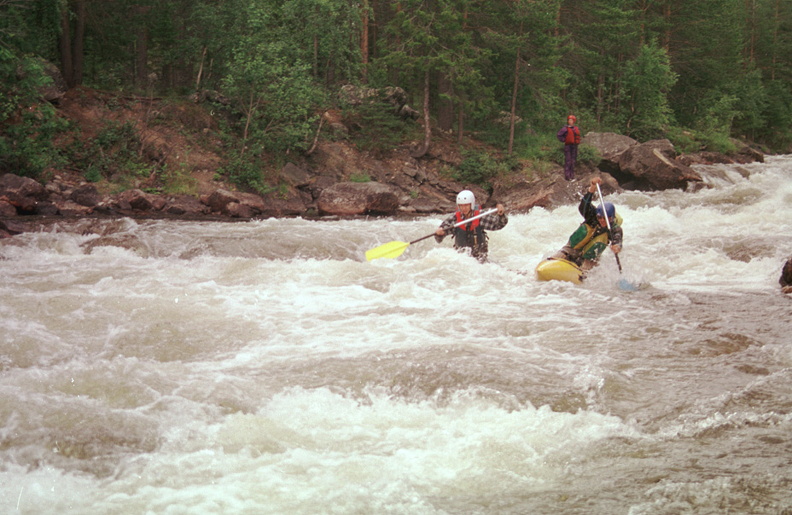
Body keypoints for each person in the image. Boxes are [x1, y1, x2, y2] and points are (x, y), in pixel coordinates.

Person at [552, 177, 622, 271]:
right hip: (571, 250)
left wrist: (616, 247)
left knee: (585, 269)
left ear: (612, 218)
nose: (602, 220)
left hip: (590, 259)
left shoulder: (614, 228)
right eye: (600, 217)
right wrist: (592, 187)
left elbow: (617, 240)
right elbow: (584, 205)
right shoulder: (592, 216)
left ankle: (583, 274)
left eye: (606, 218)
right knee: (555, 259)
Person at [434, 190, 507, 262]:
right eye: (461, 205)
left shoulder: (481, 216)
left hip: (480, 258)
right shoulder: (455, 218)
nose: (463, 208)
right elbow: (439, 238)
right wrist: (440, 234)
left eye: (466, 205)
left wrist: (501, 215)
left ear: (471, 204)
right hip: (461, 259)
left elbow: (499, 224)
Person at [557, 114, 581, 181]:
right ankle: (567, 176)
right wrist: (564, 140)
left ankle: (572, 176)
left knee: (573, 161)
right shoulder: (565, 128)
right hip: (568, 146)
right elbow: (559, 135)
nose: (570, 121)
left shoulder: (576, 128)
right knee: (568, 161)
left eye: (571, 120)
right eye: (569, 120)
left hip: (574, 146)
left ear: (574, 121)